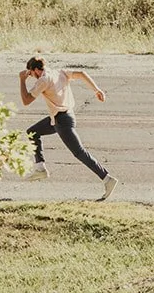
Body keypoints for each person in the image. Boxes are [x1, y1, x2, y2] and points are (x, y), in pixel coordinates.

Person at [19, 57, 118, 200]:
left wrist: (22, 80)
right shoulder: (59, 72)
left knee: (79, 152)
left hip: (62, 121)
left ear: (35, 70)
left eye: (31, 74)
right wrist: (96, 90)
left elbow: (26, 100)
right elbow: (82, 73)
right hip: (63, 117)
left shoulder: (43, 80)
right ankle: (40, 168)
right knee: (32, 132)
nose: (32, 77)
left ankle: (107, 179)